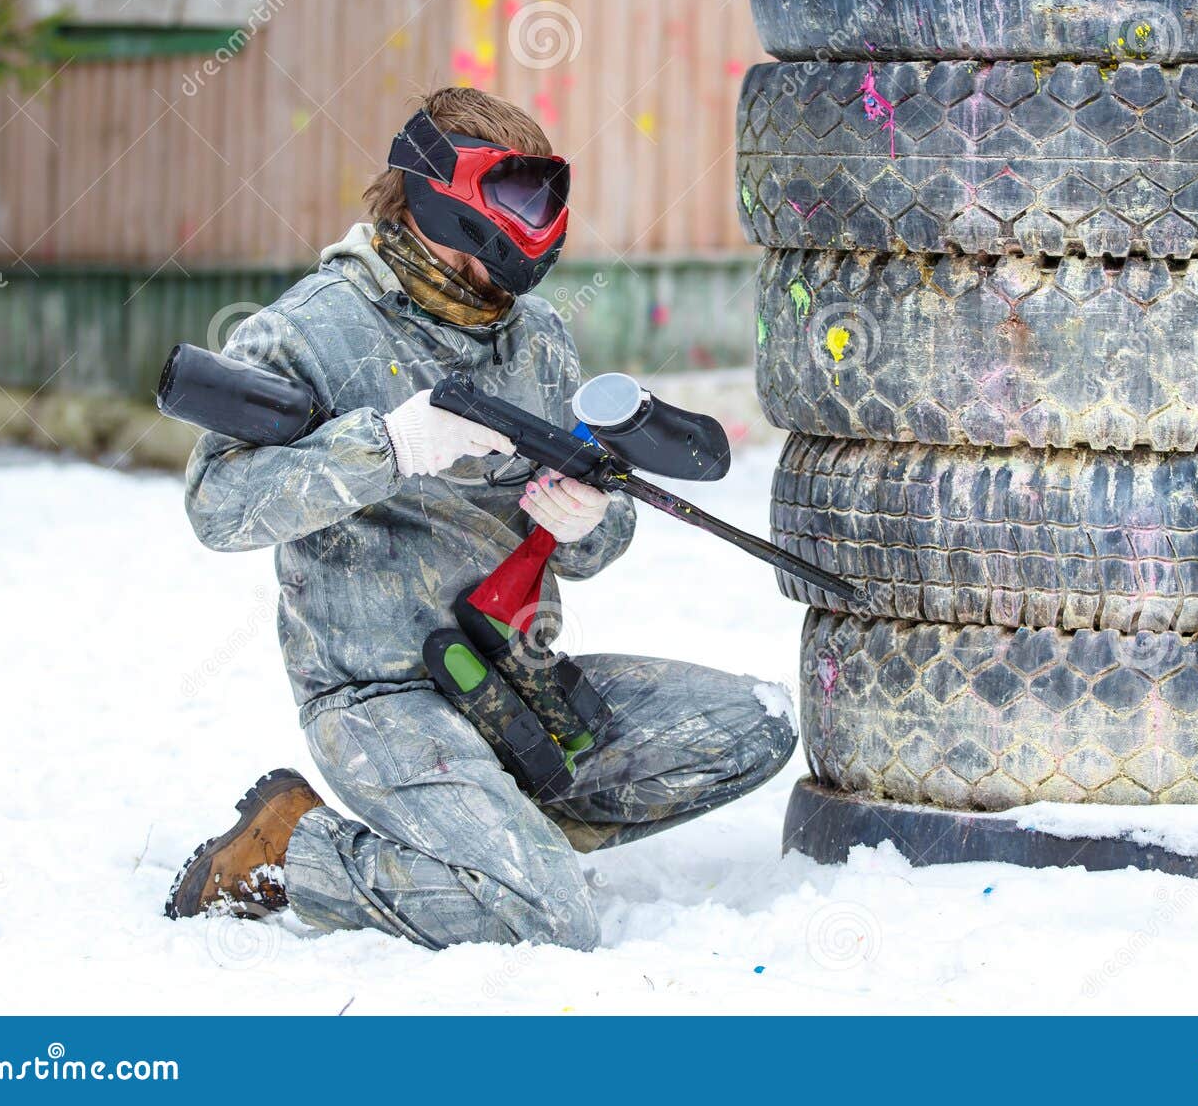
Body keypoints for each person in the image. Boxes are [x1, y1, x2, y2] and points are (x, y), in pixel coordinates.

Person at [163, 88, 795, 949]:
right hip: (384, 696)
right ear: (433, 201)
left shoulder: (533, 336)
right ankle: (289, 852)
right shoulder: (312, 330)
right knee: (551, 917)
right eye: (499, 224)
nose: (505, 271)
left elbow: (590, 541)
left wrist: (586, 522)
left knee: (756, 723)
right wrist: (388, 445)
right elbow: (216, 507)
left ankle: (495, 834)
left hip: (520, 684)